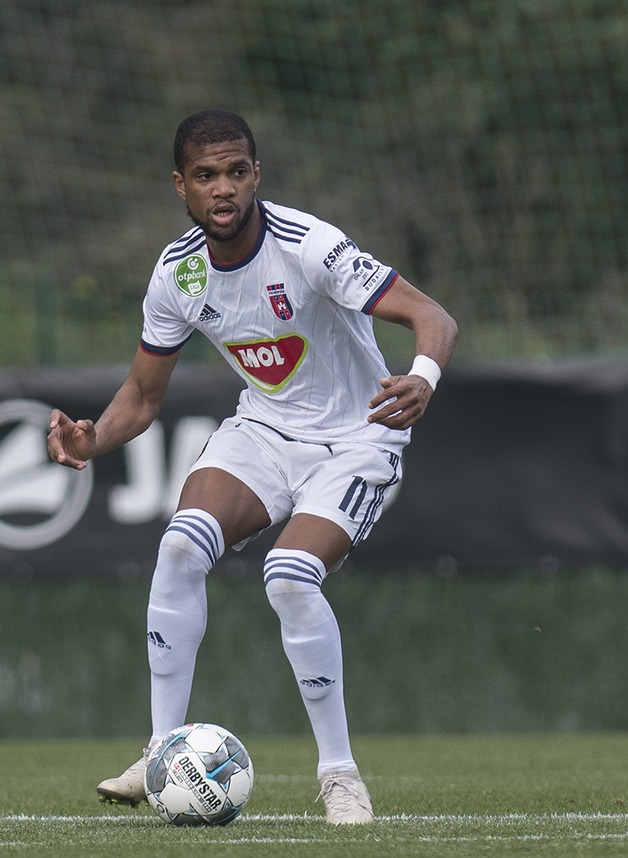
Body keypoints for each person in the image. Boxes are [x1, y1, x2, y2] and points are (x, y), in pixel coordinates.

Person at [48, 109, 458, 825]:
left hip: (359, 438)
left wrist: (422, 377)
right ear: (180, 185)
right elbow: (142, 397)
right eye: (206, 175)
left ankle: (340, 776)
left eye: (237, 172)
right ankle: (161, 753)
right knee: (180, 546)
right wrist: (92, 441)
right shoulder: (179, 273)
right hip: (264, 430)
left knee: (290, 577)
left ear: (257, 174)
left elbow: (435, 318)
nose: (223, 188)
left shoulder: (310, 247)